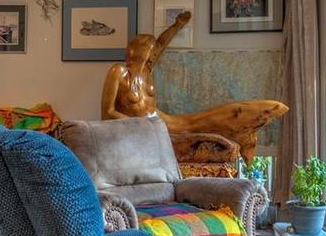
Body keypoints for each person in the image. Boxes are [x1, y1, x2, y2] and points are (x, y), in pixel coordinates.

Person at [100, 11, 287, 160]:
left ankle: (247, 126)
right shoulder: (118, 72)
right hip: (144, 129)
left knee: (205, 120)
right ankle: (244, 130)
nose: (153, 54)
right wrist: (137, 125)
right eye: (150, 51)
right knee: (200, 124)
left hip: (160, 123)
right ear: (140, 51)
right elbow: (107, 112)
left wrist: (177, 25)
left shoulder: (147, 72)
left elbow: (162, 44)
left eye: (153, 52)